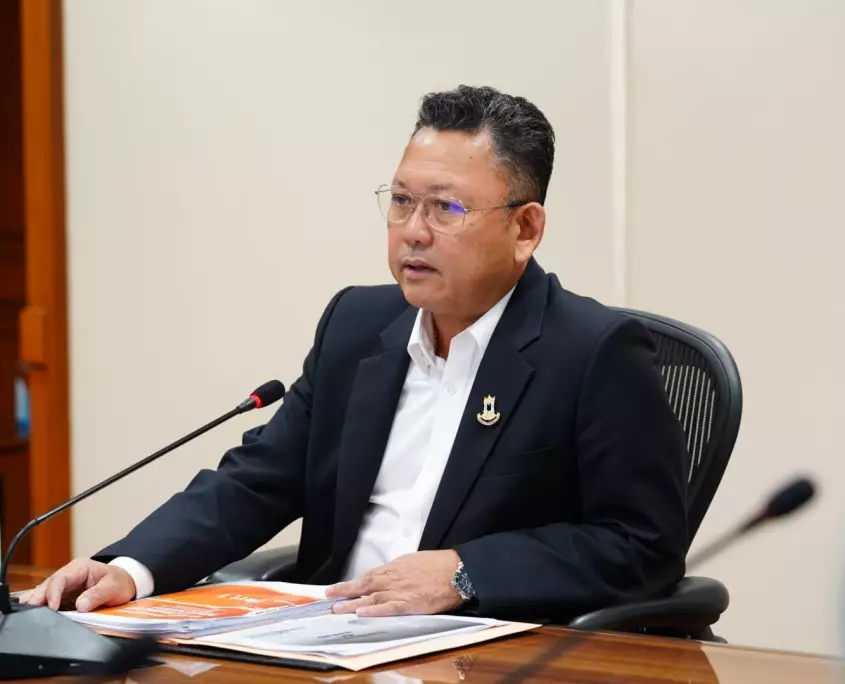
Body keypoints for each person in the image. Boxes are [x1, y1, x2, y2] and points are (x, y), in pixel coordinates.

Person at [22, 85, 688, 622]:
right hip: (323, 638)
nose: (413, 232)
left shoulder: (592, 352)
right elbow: (257, 481)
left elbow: (641, 546)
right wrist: (130, 568)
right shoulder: (357, 325)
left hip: (480, 654)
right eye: (400, 202)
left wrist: (466, 573)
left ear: (525, 228)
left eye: (446, 209)